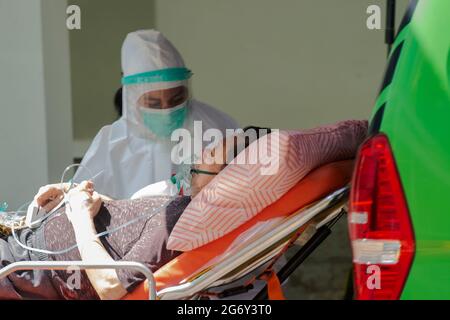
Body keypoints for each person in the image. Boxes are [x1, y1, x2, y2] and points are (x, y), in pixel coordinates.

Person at [74, 29, 239, 199]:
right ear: (132, 98)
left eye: (176, 99)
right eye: (154, 104)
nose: (167, 111)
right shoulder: (111, 144)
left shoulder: (218, 128)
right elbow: (78, 202)